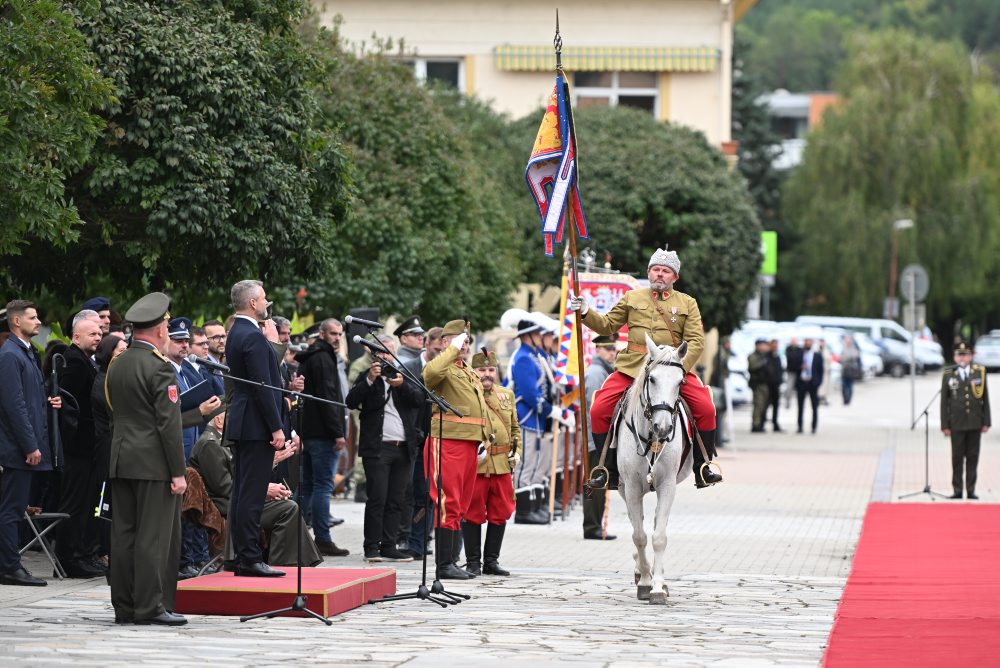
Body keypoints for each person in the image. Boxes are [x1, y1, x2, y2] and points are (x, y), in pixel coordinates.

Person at [571, 246, 722, 490]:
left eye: (665, 271)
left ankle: (702, 467)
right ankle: (606, 470)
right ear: (648, 272)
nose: (659, 274)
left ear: (675, 277)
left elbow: (696, 341)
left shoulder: (687, 303)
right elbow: (608, 325)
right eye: (655, 270)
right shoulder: (632, 298)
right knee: (599, 408)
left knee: (706, 407)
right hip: (633, 367)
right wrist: (586, 311)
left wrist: (679, 368)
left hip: (672, 369)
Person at [105, 292, 187, 625]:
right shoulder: (159, 368)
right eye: (166, 323)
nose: (167, 329)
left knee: (123, 535)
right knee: (153, 537)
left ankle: (124, 606)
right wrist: (178, 471)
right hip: (153, 463)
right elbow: (168, 425)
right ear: (158, 329)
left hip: (122, 458)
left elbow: (113, 408)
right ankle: (151, 606)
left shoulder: (118, 362)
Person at [189, 412, 322, 567]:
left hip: (240, 500)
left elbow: (242, 476)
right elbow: (225, 488)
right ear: (219, 420)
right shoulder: (210, 445)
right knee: (288, 509)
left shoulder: (222, 442)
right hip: (228, 507)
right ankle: (283, 564)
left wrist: (270, 467)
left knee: (287, 505)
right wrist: (263, 490)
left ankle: (295, 562)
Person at [225, 279, 286, 578]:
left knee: (244, 492)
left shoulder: (239, 331)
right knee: (251, 492)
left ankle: (244, 555)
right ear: (252, 303)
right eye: (263, 299)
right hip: (255, 424)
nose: (266, 304)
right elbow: (263, 387)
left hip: (246, 421)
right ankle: (249, 557)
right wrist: (276, 427)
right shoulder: (250, 335)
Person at [422, 319, 490, 580]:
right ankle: (443, 565)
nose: (465, 345)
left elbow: (478, 408)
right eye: (460, 340)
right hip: (447, 441)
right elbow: (428, 376)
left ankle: (450, 560)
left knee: (460, 502)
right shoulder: (444, 366)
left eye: (467, 341)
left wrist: (485, 436)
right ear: (444, 342)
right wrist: (451, 350)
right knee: (446, 501)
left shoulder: (467, 370)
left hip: (469, 443)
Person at [0, 300, 62, 587]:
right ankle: (10, 566)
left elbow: (28, 399)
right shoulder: (11, 355)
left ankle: (10, 565)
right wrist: (29, 445)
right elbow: (14, 406)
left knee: (15, 508)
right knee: (12, 510)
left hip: (23, 446)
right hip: (16, 449)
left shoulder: (24, 353)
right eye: (33, 317)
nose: (38, 322)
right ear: (16, 322)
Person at [346, 335, 422, 563]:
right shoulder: (367, 376)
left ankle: (390, 545)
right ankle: (372, 547)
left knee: (396, 499)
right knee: (377, 498)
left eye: (389, 353)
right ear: (374, 355)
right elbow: (351, 401)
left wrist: (402, 385)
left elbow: (419, 399)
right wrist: (370, 380)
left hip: (403, 447)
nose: (386, 357)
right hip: (378, 448)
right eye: (382, 353)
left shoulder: (404, 376)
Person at [55, 309, 106, 578]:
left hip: (88, 447)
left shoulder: (86, 360)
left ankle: (82, 553)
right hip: (78, 447)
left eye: (100, 333)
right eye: (92, 334)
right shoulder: (73, 361)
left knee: (87, 504)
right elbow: (69, 405)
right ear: (76, 337)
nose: (98, 337)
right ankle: (68, 557)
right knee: (74, 504)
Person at [294, 318, 350, 558]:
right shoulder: (323, 358)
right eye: (333, 334)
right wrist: (338, 431)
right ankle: (323, 538)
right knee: (322, 486)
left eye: (340, 334)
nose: (337, 338)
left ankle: (291, 534)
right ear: (322, 334)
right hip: (324, 434)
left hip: (310, 432)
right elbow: (329, 398)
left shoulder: (311, 356)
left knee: (307, 485)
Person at [463, 350, 522, 575]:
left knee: (501, 511)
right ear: (473, 371)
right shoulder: (467, 394)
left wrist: (516, 454)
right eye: (482, 370)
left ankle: (491, 561)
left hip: (501, 464)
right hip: (476, 465)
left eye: (490, 370)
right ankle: (472, 562)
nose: (487, 375)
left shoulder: (506, 395)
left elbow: (515, 429)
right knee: (472, 512)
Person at [506, 314, 559, 524]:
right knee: (526, 464)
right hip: (527, 416)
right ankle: (523, 511)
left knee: (536, 463)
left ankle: (534, 506)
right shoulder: (523, 358)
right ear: (528, 335)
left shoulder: (534, 356)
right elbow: (529, 393)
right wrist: (548, 410)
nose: (541, 336)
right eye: (537, 333)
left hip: (536, 419)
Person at [399, 326, 446, 559]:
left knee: (432, 494)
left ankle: (423, 539)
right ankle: (413, 540)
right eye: (437, 348)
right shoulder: (411, 367)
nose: (440, 352)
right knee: (416, 493)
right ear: (427, 344)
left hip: (441, 439)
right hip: (416, 439)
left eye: (443, 349)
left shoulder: (449, 370)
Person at [91, 333, 127, 567]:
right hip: (107, 446)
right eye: (121, 350)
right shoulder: (104, 379)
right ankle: (103, 548)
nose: (126, 354)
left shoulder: (114, 377)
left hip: (114, 444)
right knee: (106, 500)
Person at [941, 341, 990, 500]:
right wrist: (945, 424)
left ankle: (970, 489)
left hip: (975, 422)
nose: (962, 358)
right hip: (956, 423)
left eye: (965, 355)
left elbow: (985, 398)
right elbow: (944, 402)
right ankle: (957, 489)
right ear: (955, 357)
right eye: (959, 355)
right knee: (957, 458)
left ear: (970, 356)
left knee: (973, 456)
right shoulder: (949, 373)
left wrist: (986, 421)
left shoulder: (979, 372)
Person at [582, 335, 617, 540]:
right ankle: (592, 527)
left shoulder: (604, 371)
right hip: (596, 437)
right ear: (598, 350)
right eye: (607, 349)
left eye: (613, 349)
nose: (612, 352)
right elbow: (594, 409)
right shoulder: (596, 373)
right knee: (595, 481)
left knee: (598, 481)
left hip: (599, 436)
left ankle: (593, 525)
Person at [795, 337, 824, 434]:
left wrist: (818, 382)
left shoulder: (817, 356)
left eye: (809, 341)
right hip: (802, 383)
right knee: (800, 406)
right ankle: (800, 426)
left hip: (812, 384)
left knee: (814, 406)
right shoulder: (799, 354)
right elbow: (792, 366)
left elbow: (821, 371)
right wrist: (800, 367)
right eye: (805, 341)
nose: (807, 343)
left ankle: (814, 427)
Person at [748, 338, 770, 433]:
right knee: (758, 405)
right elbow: (753, 367)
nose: (763, 347)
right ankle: (755, 425)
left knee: (763, 405)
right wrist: (763, 362)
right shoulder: (753, 356)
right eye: (761, 345)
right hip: (757, 384)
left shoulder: (764, 355)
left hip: (765, 384)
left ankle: (760, 423)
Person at [765, 339, 784, 431]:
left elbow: (780, 370)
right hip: (768, 384)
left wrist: (780, 381)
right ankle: (761, 422)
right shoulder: (766, 356)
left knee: (776, 405)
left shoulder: (777, 356)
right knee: (765, 404)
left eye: (776, 345)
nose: (775, 346)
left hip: (776, 384)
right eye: (774, 344)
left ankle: (775, 423)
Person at [839, 335, 862, 406]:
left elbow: (855, 356)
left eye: (849, 339)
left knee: (849, 385)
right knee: (843, 385)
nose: (848, 341)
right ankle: (845, 399)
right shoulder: (843, 347)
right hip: (844, 369)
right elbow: (841, 358)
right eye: (846, 339)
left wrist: (847, 358)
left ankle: (848, 399)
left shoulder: (854, 348)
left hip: (851, 369)